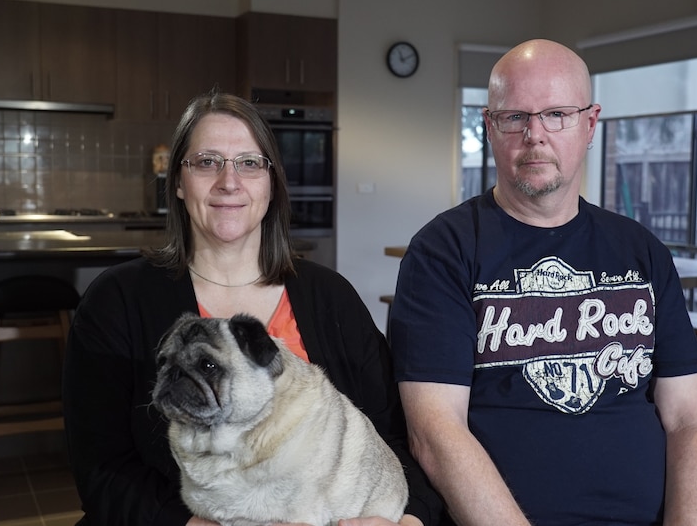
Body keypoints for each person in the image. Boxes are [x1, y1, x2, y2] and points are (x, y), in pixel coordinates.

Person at [63, 92, 442, 526]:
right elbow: (101, 470)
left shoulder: (330, 296)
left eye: (249, 163)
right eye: (206, 162)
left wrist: (411, 520)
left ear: (271, 183)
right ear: (179, 184)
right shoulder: (117, 300)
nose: (229, 181)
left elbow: (397, 436)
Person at [389, 39, 697, 526]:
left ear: (590, 124)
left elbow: (692, 420)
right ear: (489, 126)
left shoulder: (641, 250)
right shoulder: (443, 251)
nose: (535, 134)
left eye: (557, 114)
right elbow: (436, 433)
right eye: (514, 117)